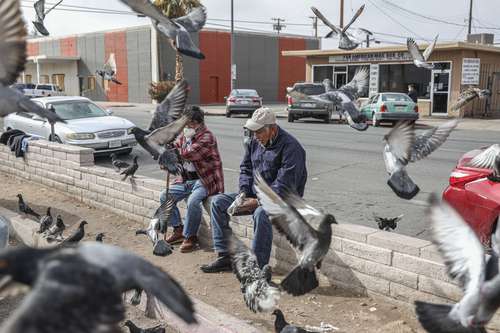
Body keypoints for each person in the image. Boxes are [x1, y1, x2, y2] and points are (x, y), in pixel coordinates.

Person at [201, 107, 307, 273]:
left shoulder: (292, 148)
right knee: (218, 203)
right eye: (253, 131)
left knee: (260, 213)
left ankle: (258, 268)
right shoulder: (254, 142)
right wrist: (243, 192)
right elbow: (246, 168)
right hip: (256, 195)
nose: (255, 136)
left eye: (259, 132)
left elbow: (286, 184)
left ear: (272, 129)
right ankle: (225, 256)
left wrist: (258, 202)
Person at [159, 106, 224, 252]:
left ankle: (191, 237)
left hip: (205, 180)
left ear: (199, 122)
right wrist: (167, 152)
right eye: (185, 124)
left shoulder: (207, 137)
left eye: (190, 124)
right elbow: (175, 147)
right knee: (164, 196)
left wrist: (170, 156)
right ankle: (178, 230)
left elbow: (187, 153)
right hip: (186, 180)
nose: (187, 127)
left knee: (194, 201)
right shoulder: (185, 135)